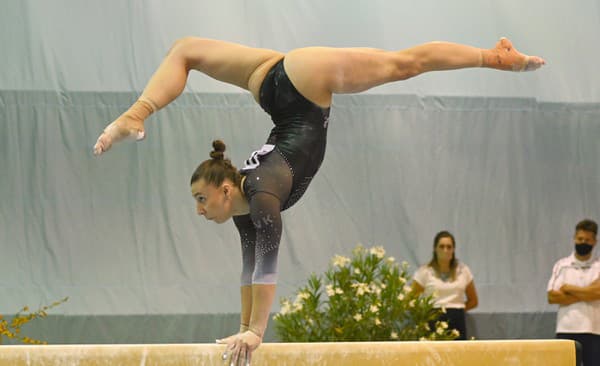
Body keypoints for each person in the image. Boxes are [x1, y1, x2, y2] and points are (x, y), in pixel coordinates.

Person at [93, 37, 544, 365]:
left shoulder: (262, 196)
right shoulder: (244, 206)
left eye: (200, 199)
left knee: (403, 64)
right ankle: (137, 113)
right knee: (185, 49)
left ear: (225, 190)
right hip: (272, 84)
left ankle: (494, 57)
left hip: (302, 85)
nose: (198, 209)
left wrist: (256, 332)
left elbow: (268, 267)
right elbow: (249, 269)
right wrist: (245, 332)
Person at [547, 219, 600, 366]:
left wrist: (569, 289)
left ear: (595, 241)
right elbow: (552, 296)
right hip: (566, 330)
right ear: (574, 238)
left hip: (594, 330)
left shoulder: (598, 266)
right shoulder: (562, 265)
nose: (583, 242)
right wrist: (588, 292)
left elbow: (598, 293)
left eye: (587, 240)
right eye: (580, 239)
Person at [411, 231, 478, 340]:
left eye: (449, 247)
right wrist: (424, 315)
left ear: (453, 250)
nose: (445, 250)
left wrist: (456, 311)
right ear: (435, 249)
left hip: (457, 322)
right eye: (441, 246)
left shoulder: (463, 271)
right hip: (432, 320)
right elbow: (410, 300)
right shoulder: (425, 272)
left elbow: (473, 301)